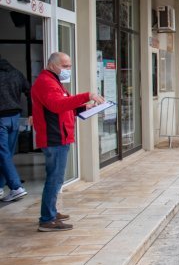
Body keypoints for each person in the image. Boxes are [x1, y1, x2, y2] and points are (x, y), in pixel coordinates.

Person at [32, 52, 104, 231]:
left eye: (69, 66)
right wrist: (86, 95)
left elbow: (63, 105)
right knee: (54, 179)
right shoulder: (46, 83)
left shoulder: (54, 81)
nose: (68, 70)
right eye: (65, 66)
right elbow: (57, 105)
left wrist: (83, 107)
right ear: (52, 65)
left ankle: (51, 212)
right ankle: (47, 219)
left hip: (59, 135)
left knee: (56, 178)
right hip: (54, 137)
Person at [0, 56, 30, 202]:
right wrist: (31, 111)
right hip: (14, 118)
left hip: (1, 118)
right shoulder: (16, 73)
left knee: (3, 153)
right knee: (6, 154)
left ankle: (16, 187)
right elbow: (29, 90)